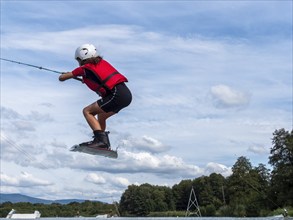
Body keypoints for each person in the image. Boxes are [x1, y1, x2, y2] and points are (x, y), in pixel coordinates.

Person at [59, 43, 132, 149]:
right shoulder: (102, 63)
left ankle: (101, 142)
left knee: (87, 111)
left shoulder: (83, 68)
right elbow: (99, 77)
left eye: (78, 60)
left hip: (116, 95)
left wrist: (68, 74)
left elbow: (61, 78)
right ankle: (101, 142)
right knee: (101, 116)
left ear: (82, 58)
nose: (78, 63)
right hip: (126, 95)